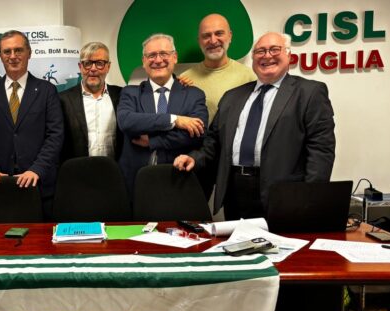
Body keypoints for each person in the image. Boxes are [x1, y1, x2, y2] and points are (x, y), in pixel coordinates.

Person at [174, 32, 336, 220]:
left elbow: (321, 150)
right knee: (236, 239)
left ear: (289, 55)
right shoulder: (232, 97)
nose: (267, 56)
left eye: (274, 49)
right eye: (260, 51)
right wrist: (194, 158)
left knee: (281, 240)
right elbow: (214, 142)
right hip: (235, 192)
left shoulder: (310, 93)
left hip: (284, 195)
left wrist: (309, 199)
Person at [0, 30, 64, 217]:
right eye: (7, 51)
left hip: (39, 185)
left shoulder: (47, 91)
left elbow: (55, 136)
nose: (13, 56)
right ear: (0, 56)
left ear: (29, 53)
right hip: (0, 185)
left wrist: (36, 170)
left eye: (18, 50)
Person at [116, 33, 207, 195]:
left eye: (164, 54)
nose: (158, 60)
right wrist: (174, 120)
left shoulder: (194, 95)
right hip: (135, 184)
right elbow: (126, 121)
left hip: (179, 181)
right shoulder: (130, 93)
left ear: (174, 57)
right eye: (151, 55)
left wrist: (152, 141)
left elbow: (196, 134)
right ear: (144, 61)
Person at [180, 13, 256, 201]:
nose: (213, 40)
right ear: (199, 41)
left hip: (233, 160)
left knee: (235, 211)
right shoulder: (184, 79)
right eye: (206, 36)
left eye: (219, 33)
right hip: (198, 157)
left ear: (230, 36)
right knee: (192, 210)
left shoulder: (249, 77)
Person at [59, 41, 123, 162]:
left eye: (99, 63)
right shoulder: (63, 100)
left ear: (108, 67)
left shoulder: (122, 96)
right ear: (80, 67)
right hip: (77, 170)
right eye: (87, 63)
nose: (93, 69)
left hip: (115, 170)